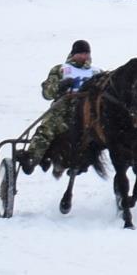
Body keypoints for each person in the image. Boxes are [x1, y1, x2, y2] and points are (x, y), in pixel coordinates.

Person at [20, 39, 103, 174]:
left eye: (86, 53)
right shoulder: (61, 69)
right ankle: (33, 157)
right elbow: (47, 92)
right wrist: (60, 86)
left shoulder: (97, 72)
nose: (83, 56)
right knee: (49, 127)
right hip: (64, 110)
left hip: (89, 111)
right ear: (73, 54)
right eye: (80, 53)